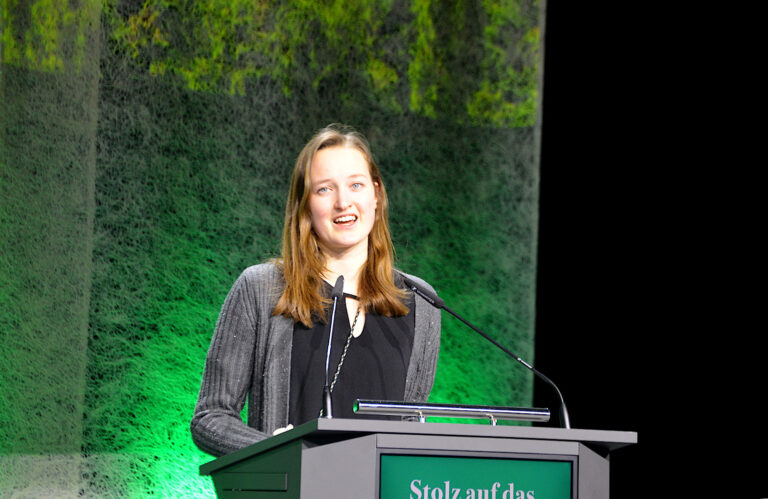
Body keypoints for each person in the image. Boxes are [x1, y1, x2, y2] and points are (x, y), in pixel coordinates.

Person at [190, 124, 441, 457]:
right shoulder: (262, 289)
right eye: (325, 189)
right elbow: (211, 417)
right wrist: (275, 450)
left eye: (356, 185)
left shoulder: (421, 302)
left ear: (376, 195)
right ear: (305, 205)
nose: (343, 202)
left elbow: (410, 426)